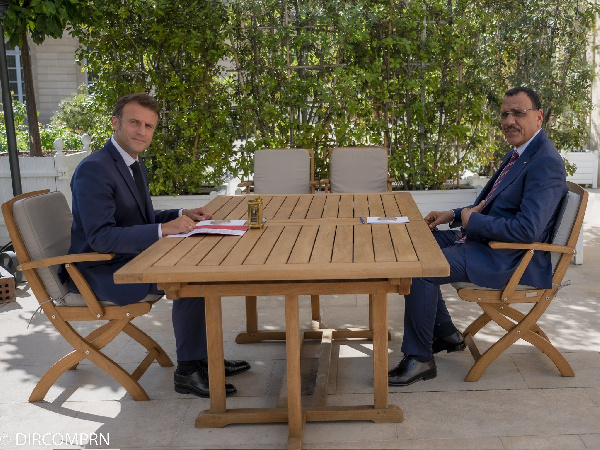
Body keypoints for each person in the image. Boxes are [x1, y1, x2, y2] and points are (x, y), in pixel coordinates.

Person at [67, 92, 250, 398]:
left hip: (125, 257)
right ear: (116, 123)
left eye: (148, 126)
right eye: (134, 122)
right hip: (102, 270)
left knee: (201, 269)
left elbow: (139, 217)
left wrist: (181, 214)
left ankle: (204, 360)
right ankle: (189, 371)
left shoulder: (132, 164)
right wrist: (163, 229)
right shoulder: (95, 169)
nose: (141, 131)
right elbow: (100, 237)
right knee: (189, 277)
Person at [388, 86, 568, 386]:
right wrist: (455, 215)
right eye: (505, 114)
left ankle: (420, 359)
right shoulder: (520, 154)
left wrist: (473, 221)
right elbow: (492, 205)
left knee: (420, 270)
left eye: (518, 113)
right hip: (490, 245)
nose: (510, 120)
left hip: (510, 258)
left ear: (539, 117)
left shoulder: (545, 162)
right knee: (416, 243)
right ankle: (446, 334)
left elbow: (527, 230)